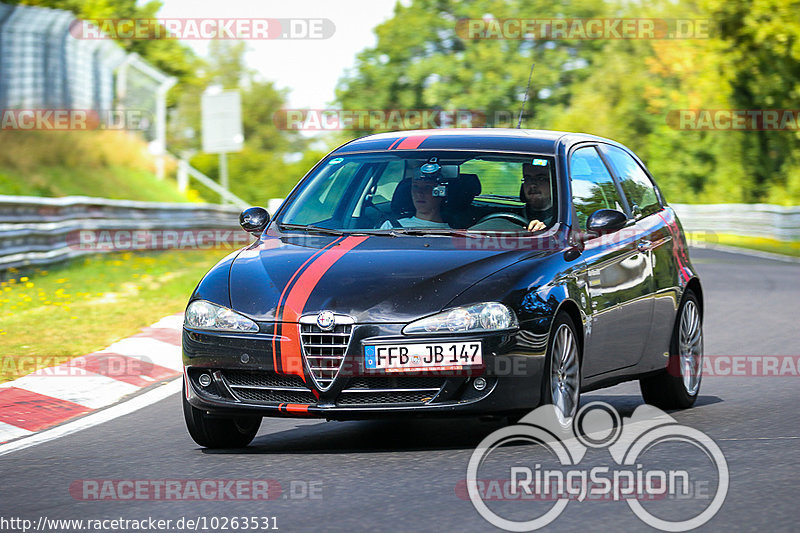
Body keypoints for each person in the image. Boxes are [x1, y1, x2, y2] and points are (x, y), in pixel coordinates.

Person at [380, 162, 450, 229]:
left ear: (442, 192)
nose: (419, 193)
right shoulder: (390, 227)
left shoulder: (455, 235)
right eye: (415, 186)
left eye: (427, 187)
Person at [521, 162, 554, 232]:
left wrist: (546, 229)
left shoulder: (564, 218)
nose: (532, 185)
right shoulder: (512, 216)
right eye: (527, 178)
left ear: (554, 183)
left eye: (540, 178)